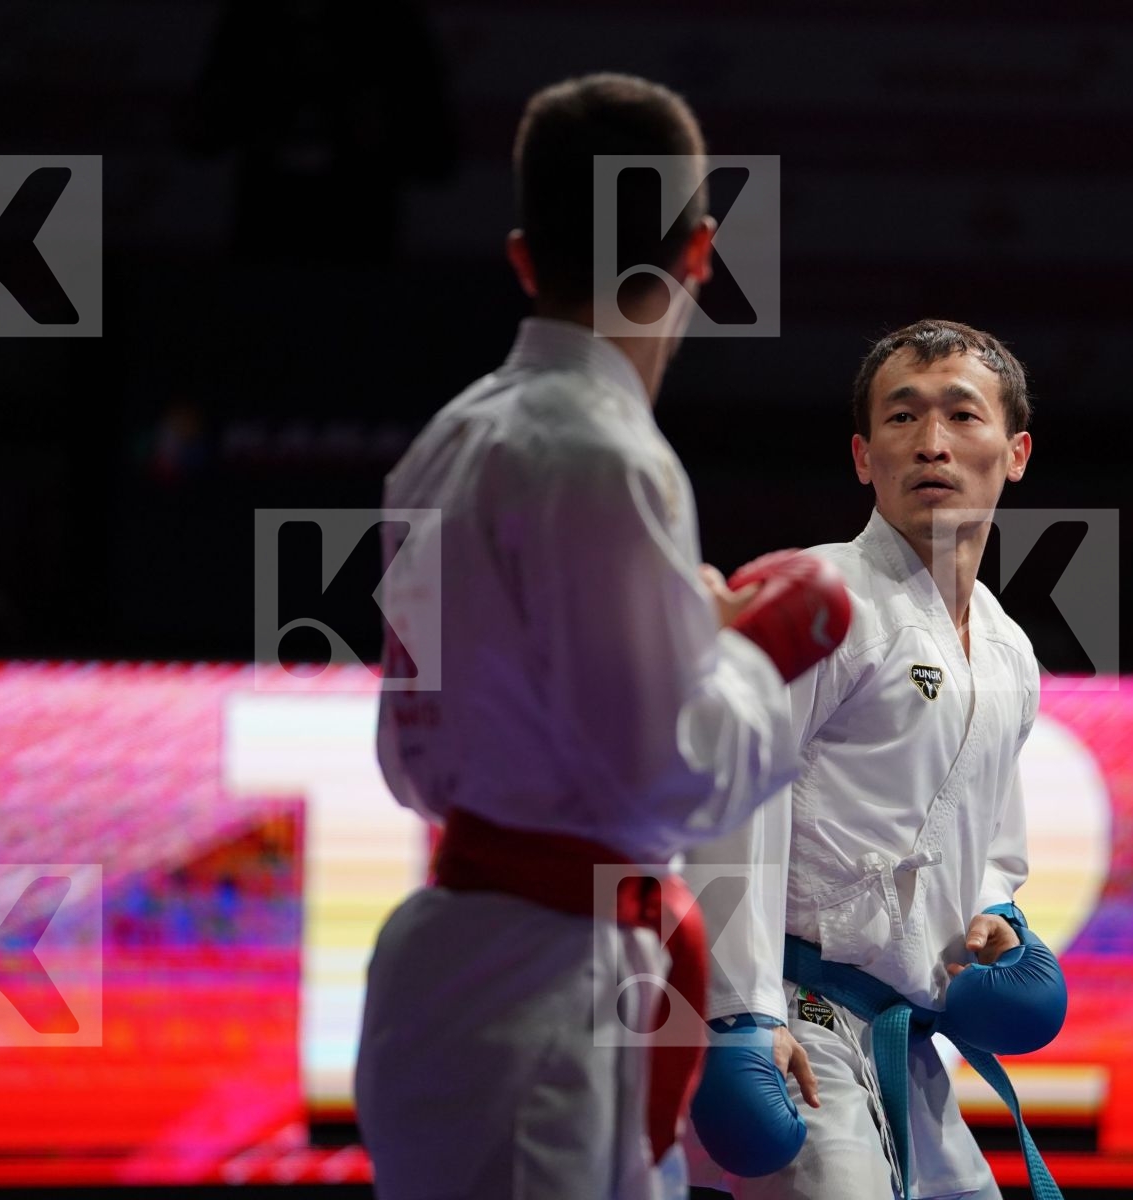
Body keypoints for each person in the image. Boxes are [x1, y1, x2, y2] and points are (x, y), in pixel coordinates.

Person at [353, 74, 850, 1200]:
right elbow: (663, 777)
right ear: (702, 255)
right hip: (549, 1000)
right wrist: (759, 660)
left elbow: (415, 754)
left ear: (526, 260)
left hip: (467, 977)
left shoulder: (444, 444)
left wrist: (697, 639)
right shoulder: (605, 459)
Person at [685, 320, 1052, 1200]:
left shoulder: (1009, 651)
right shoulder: (816, 601)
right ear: (862, 454)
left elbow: (987, 847)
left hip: (906, 1038)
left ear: (1016, 453)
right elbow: (729, 800)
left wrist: (1000, 925)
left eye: (963, 416)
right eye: (901, 419)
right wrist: (735, 1013)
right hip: (795, 1016)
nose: (931, 443)